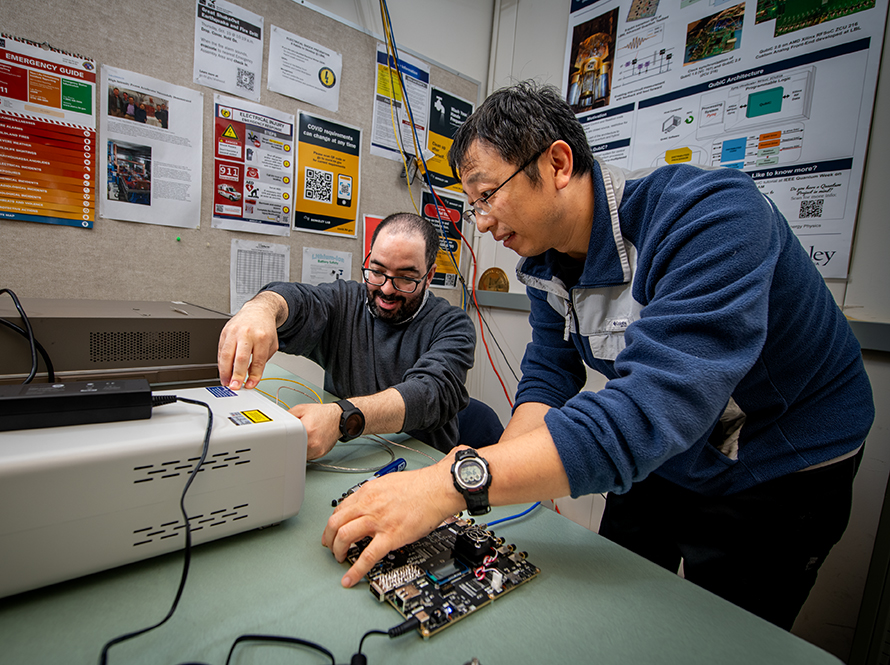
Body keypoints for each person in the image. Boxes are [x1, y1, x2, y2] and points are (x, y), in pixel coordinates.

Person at [321, 81, 874, 630]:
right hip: (669, 450)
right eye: (474, 205)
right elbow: (546, 375)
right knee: (616, 609)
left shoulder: (714, 218)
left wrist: (452, 482)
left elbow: (649, 411)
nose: (482, 222)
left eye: (487, 195)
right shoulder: (543, 264)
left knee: (726, 633)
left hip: (778, 463)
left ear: (558, 163)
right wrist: (489, 484)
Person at [218, 212, 498, 460]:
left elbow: (430, 394)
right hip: (346, 457)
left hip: (418, 469)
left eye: (405, 278)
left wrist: (343, 416)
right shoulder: (345, 302)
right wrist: (262, 308)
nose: (387, 289)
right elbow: (300, 300)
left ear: (429, 276)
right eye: (376, 271)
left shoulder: (452, 324)